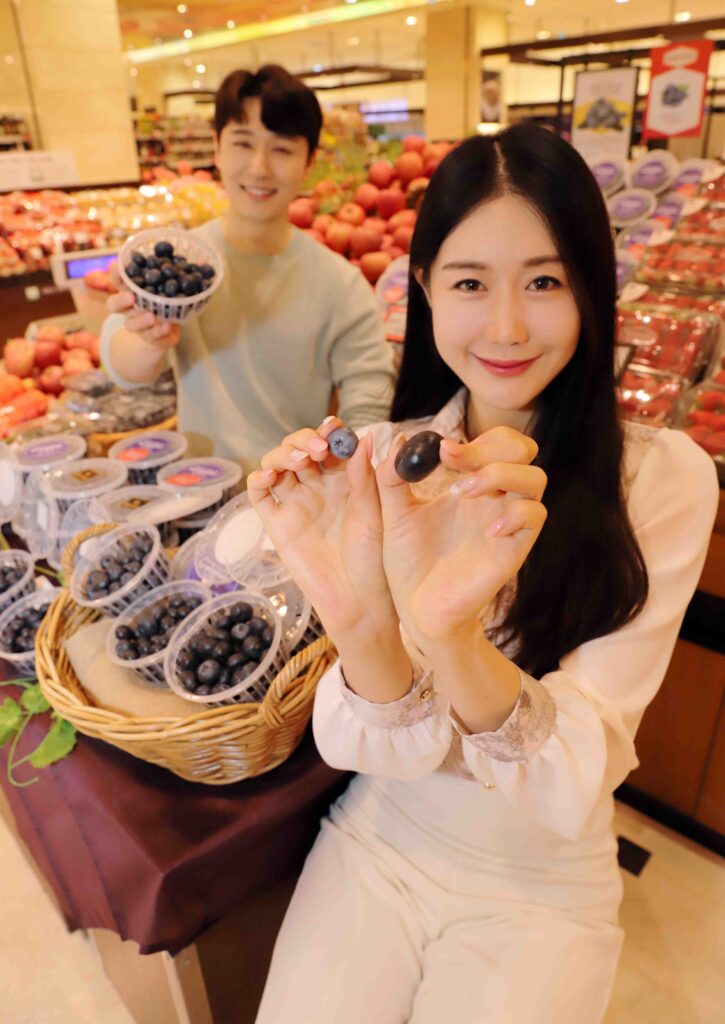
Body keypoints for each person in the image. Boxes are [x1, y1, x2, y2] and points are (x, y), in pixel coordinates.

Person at [246, 125, 719, 1023]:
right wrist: (360, 624)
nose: (505, 328)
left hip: (542, 876)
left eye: (544, 282)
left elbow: (578, 772)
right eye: (469, 283)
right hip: (382, 838)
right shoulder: (386, 462)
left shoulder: (662, 478)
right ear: (424, 288)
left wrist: (453, 636)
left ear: (592, 288)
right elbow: (374, 749)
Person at [101, 65, 395, 477]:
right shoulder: (183, 265)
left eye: (282, 149)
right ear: (217, 149)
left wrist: (337, 470)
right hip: (199, 489)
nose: (259, 168)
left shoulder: (339, 284)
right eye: (243, 143)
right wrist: (150, 338)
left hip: (292, 492)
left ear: (309, 162)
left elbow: (371, 398)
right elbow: (123, 369)